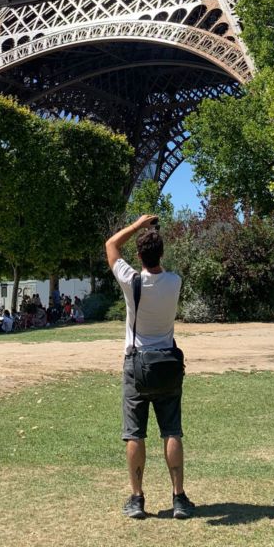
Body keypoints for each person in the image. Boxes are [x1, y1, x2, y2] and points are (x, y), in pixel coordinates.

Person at [105, 214, 193, 521]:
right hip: (167, 362)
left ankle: (137, 498)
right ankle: (179, 498)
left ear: (139, 256)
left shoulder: (132, 282)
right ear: (162, 254)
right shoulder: (174, 282)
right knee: (172, 431)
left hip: (137, 364)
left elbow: (111, 245)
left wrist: (137, 225)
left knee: (135, 434)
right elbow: (160, 268)